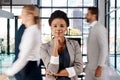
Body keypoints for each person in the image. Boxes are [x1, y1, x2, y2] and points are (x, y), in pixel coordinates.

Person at [0, 5, 42, 80]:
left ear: (29, 16)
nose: (20, 16)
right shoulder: (35, 30)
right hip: (32, 70)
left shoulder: (30, 32)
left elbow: (23, 58)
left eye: (23, 13)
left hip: (28, 72)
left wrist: (6, 74)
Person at [40, 10, 83, 80]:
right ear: (51, 28)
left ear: (66, 28)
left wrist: (57, 73)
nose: (58, 29)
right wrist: (55, 48)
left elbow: (79, 68)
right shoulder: (44, 47)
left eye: (62, 26)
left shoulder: (75, 44)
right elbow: (53, 69)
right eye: (55, 26)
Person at [85, 7, 108, 80]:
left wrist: (100, 66)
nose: (86, 16)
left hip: (98, 68)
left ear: (94, 16)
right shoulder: (92, 28)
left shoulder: (100, 28)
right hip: (90, 67)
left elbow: (104, 48)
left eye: (87, 14)